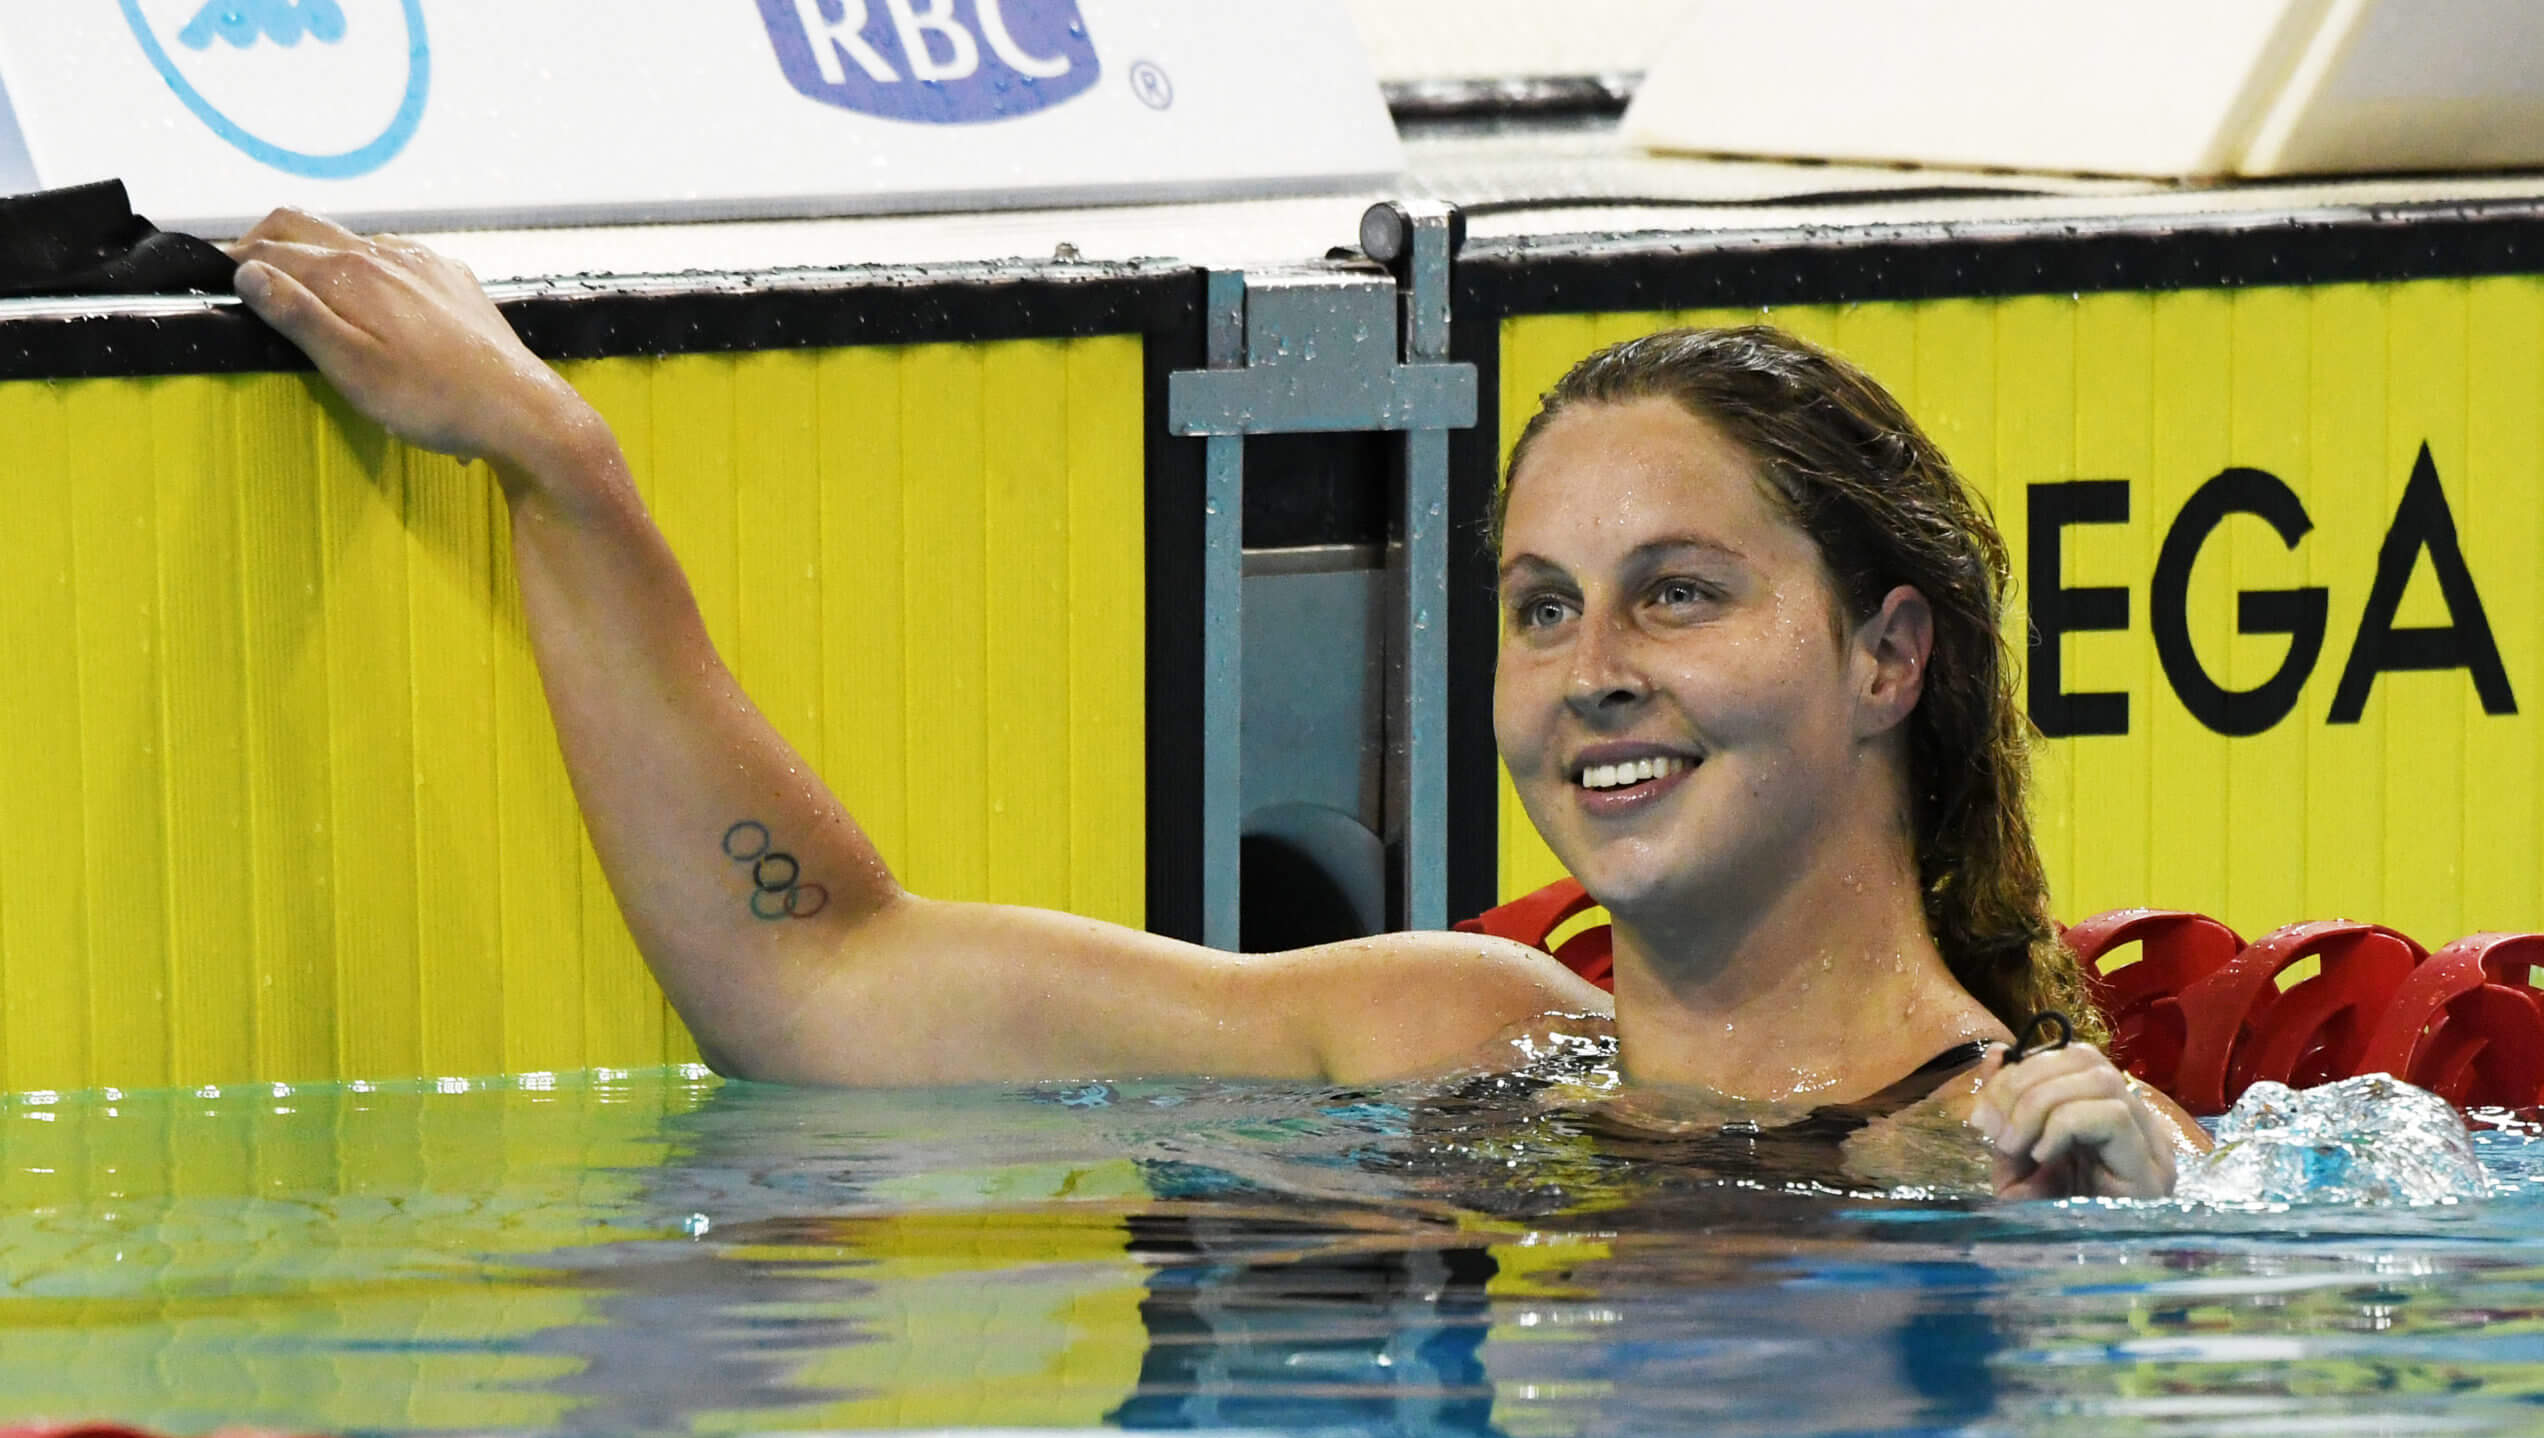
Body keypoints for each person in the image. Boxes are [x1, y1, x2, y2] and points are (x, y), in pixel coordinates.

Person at [225, 211, 2208, 1201]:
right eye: (1534, 607)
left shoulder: (2028, 1155)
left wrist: (2112, 1228)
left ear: (1884, 657)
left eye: (1673, 594)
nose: (1588, 667)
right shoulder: (1458, 1035)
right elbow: (818, 978)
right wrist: (561, 472)